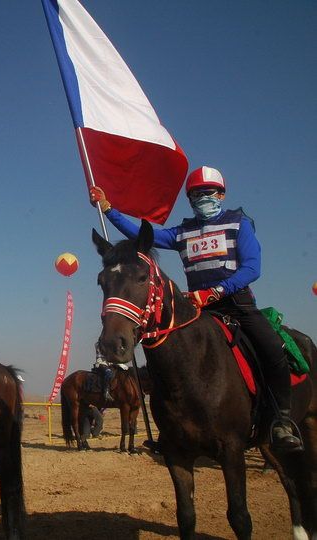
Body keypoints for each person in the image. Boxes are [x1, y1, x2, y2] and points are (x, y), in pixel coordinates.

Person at [90, 166, 301, 451]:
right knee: (165, 353)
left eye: (208, 193)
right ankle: (173, 430)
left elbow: (253, 267)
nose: (202, 198)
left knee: (272, 349)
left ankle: (281, 421)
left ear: (221, 194)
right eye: (195, 195)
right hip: (199, 310)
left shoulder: (239, 224)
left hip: (236, 305)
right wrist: (108, 209)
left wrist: (216, 291)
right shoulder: (184, 232)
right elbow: (141, 235)